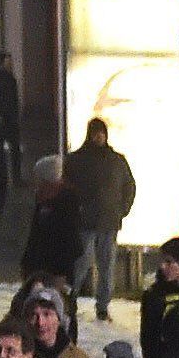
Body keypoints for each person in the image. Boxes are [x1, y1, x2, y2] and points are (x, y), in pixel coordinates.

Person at [66, 116, 139, 319]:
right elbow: (68, 188)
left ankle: (102, 306)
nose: (99, 137)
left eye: (102, 133)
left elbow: (129, 186)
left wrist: (122, 209)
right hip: (86, 221)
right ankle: (69, 299)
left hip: (109, 221)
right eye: (96, 133)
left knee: (106, 266)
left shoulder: (116, 160)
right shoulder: (77, 159)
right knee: (81, 263)